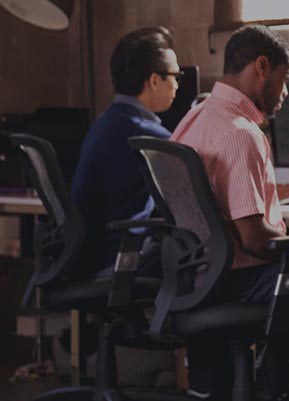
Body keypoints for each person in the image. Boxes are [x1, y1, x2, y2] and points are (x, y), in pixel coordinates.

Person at [168, 24, 289, 400]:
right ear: (261, 67)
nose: (286, 92)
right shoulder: (240, 133)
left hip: (199, 276)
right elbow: (256, 240)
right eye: (284, 79)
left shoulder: (194, 119)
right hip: (243, 280)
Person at [71, 27, 181, 277]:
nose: (177, 85)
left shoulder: (106, 123)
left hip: (88, 260)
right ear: (155, 80)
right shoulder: (148, 136)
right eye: (175, 76)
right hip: (117, 261)